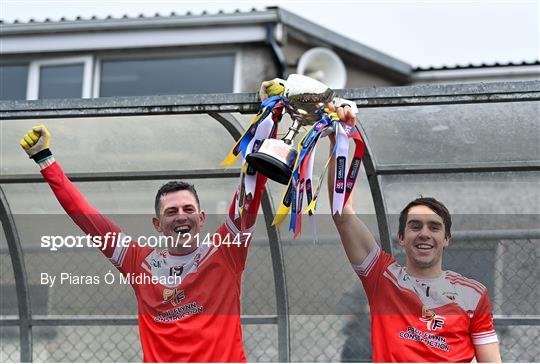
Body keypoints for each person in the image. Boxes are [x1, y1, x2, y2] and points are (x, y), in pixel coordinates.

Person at [19, 123, 268, 362]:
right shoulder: (139, 262)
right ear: (157, 224)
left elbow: (250, 190)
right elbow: (84, 216)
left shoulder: (226, 251)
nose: (181, 215)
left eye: (188, 209)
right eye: (171, 212)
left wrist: (269, 120)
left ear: (201, 218)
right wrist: (44, 159)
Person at [326, 104, 502, 362]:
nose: (424, 234)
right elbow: (342, 214)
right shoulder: (382, 278)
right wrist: (339, 139)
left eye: (434, 227)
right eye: (415, 226)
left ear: (446, 239)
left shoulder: (473, 294)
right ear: (401, 238)